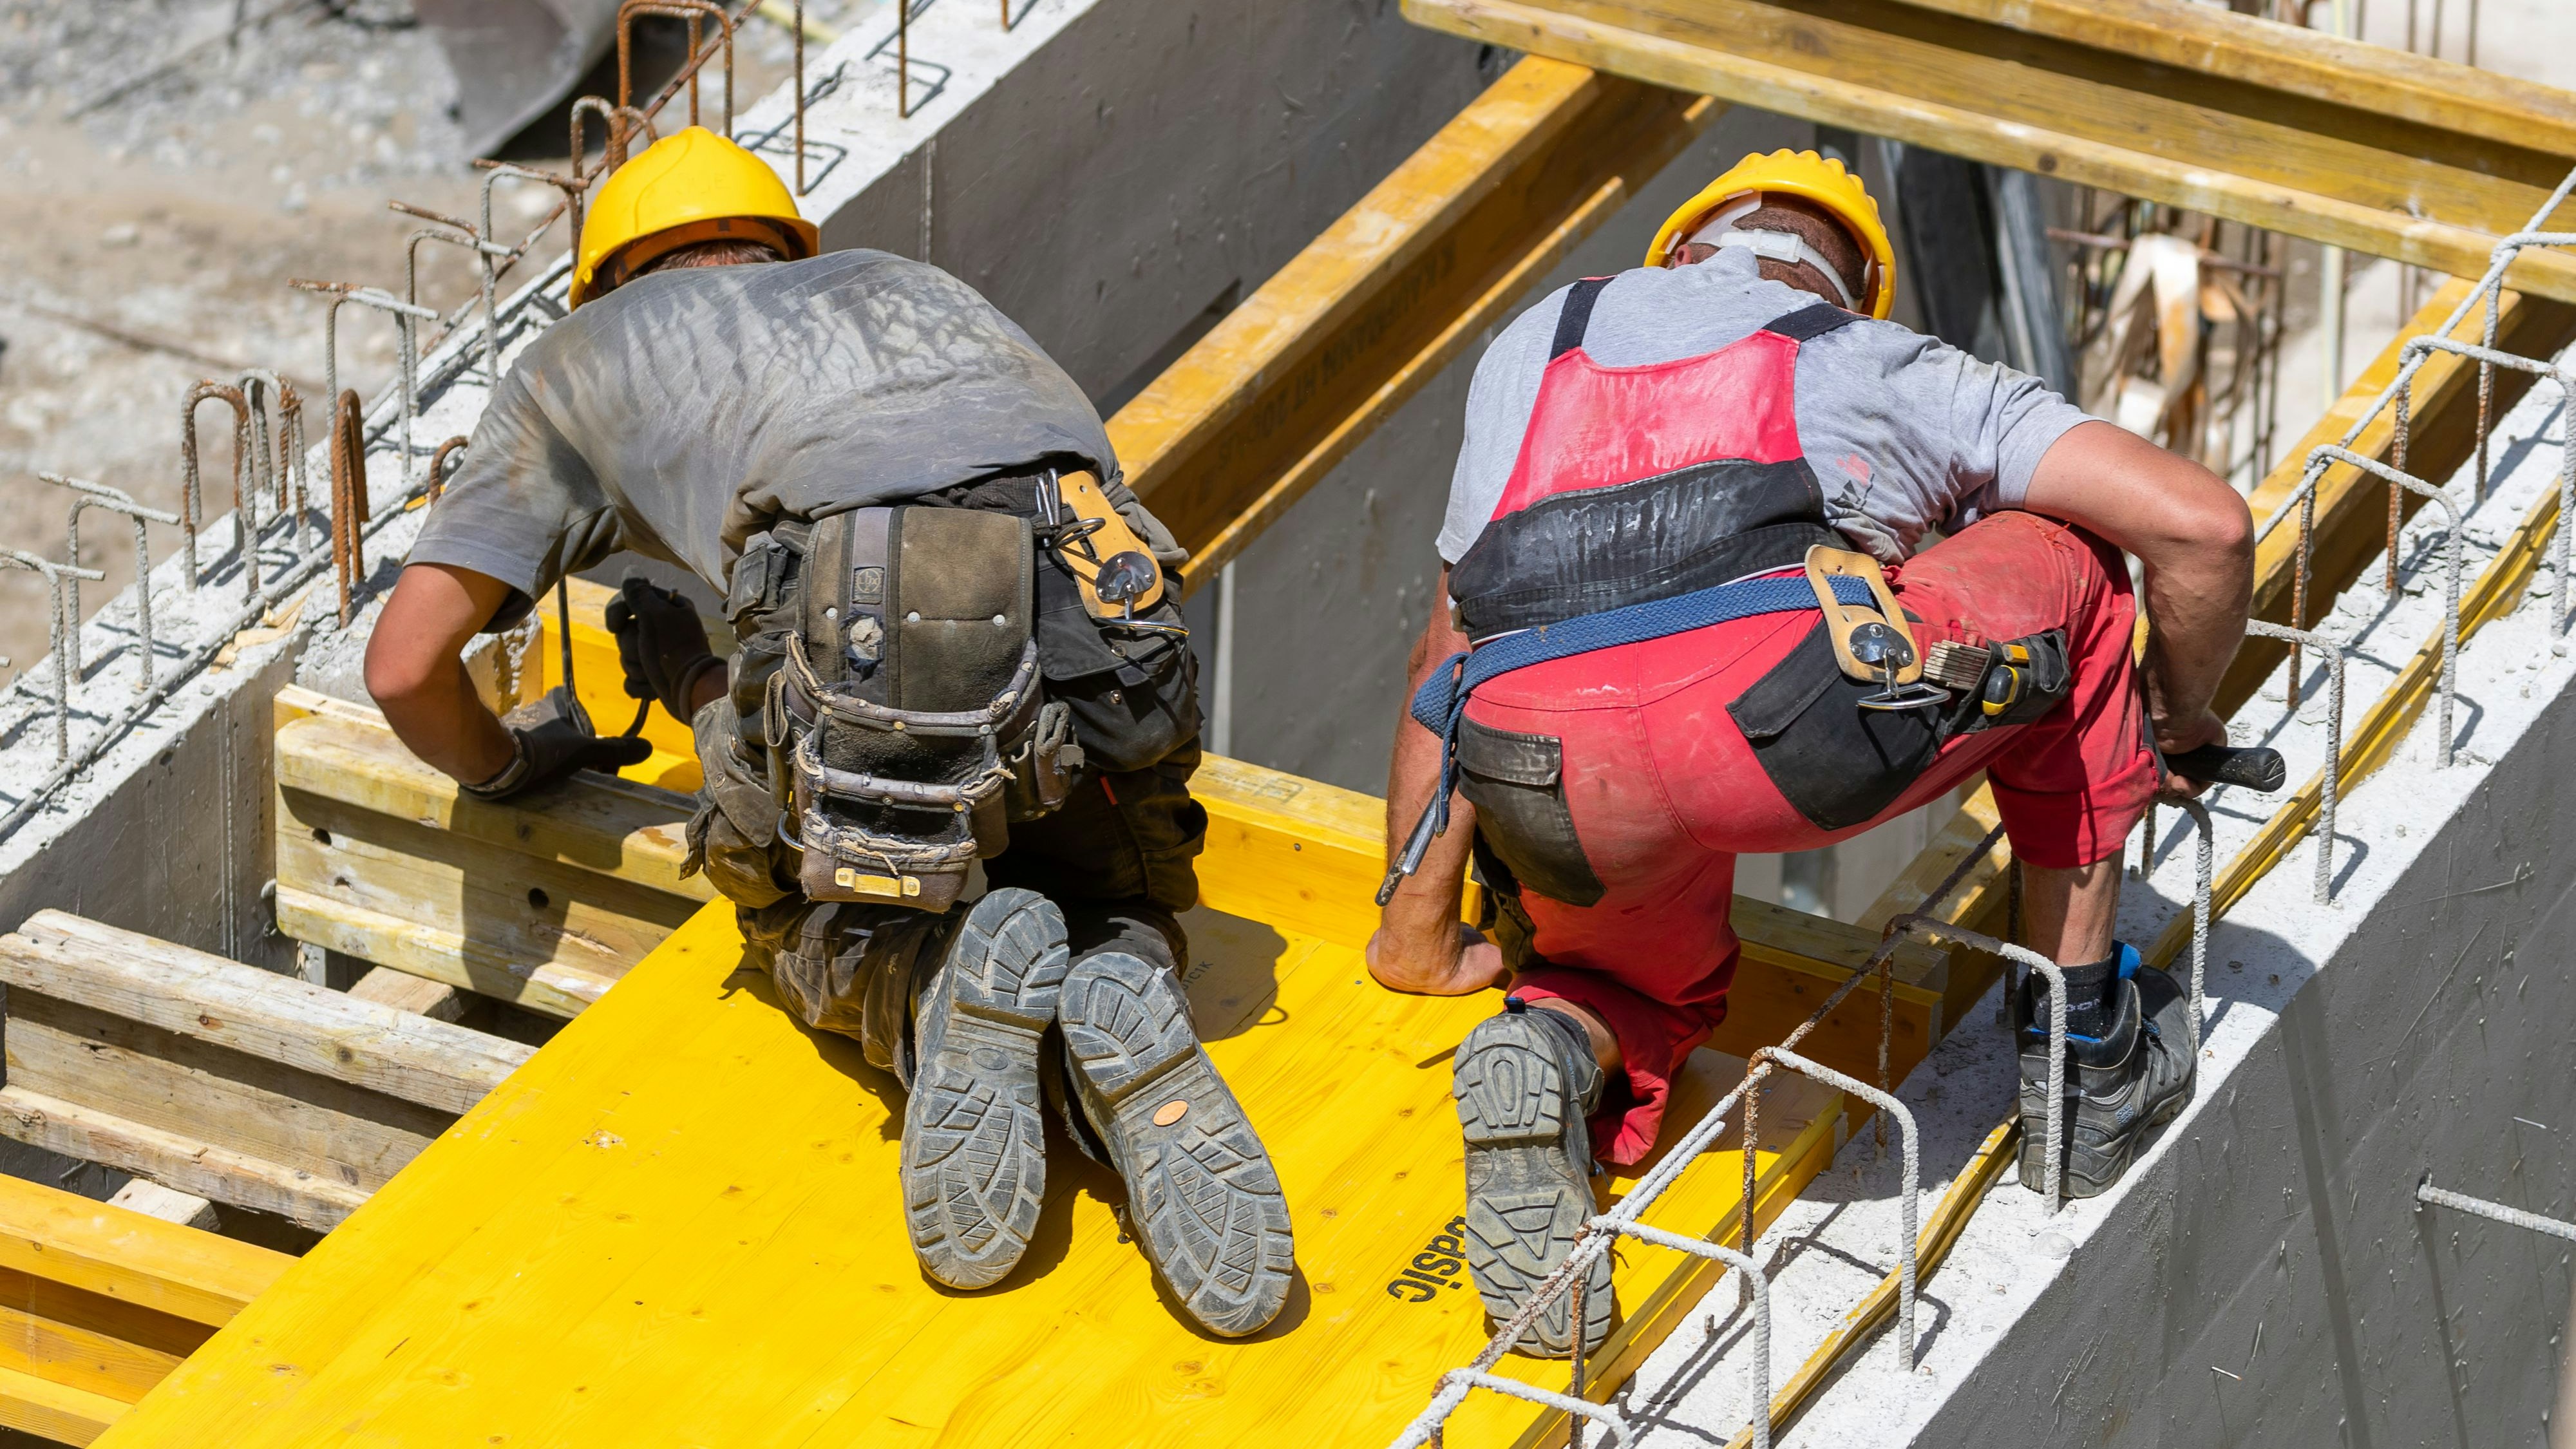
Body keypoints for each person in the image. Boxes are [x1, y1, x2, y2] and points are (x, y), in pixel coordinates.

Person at [362, 126, 1294, 1337]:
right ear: (778, 244)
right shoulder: (913, 285)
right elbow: (999, 540)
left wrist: (515, 761)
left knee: (790, 891)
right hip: (1112, 622)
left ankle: (927, 986)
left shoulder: (574, 360)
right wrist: (711, 673)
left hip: (872, 611)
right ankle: (1118, 965)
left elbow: (404, 669)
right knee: (1083, 859)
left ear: (608, 279)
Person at [1368, 150, 2252, 1355]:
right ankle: (2085, 1049)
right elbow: (2203, 527)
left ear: (1682, 249)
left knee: (1624, 966)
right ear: (1846, 283)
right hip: (1776, 730)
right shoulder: (1871, 359)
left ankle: (1559, 1037)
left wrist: (1414, 923)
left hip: (1551, 766)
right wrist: (2176, 713)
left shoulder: (1536, 341)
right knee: (2079, 558)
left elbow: (1449, 643)